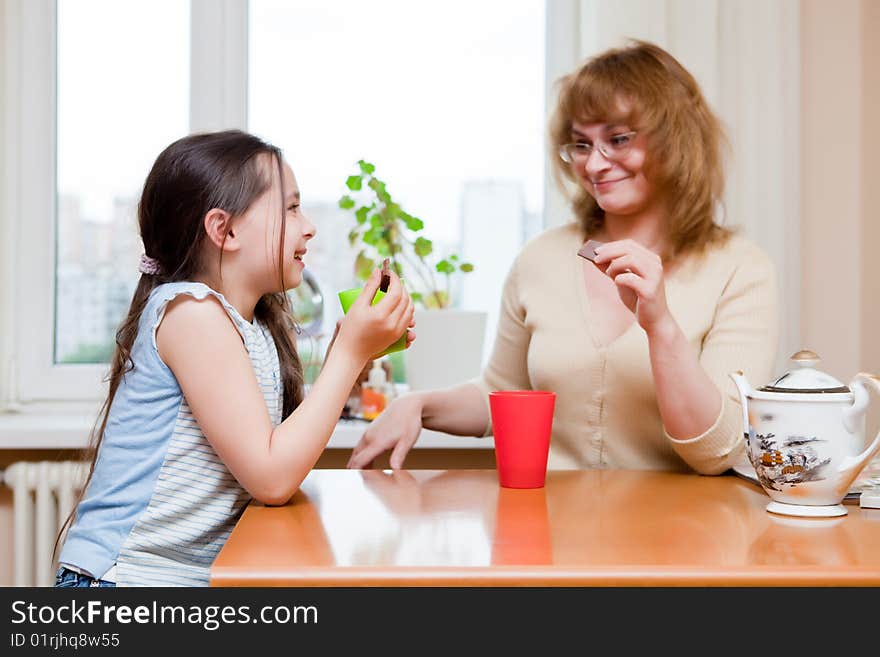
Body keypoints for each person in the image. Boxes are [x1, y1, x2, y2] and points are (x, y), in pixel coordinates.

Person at [348, 40, 778, 474]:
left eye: (618, 139)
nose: (595, 165)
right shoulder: (540, 259)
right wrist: (419, 405)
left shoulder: (740, 270)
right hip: (551, 531)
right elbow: (501, 391)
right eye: (581, 145)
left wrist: (661, 327)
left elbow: (719, 450)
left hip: (683, 536)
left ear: (675, 141)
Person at [55, 130, 415, 587]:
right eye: (290, 208)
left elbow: (272, 451)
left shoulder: (256, 328)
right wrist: (348, 353)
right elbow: (271, 477)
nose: (309, 226)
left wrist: (348, 358)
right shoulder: (192, 313)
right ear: (223, 230)